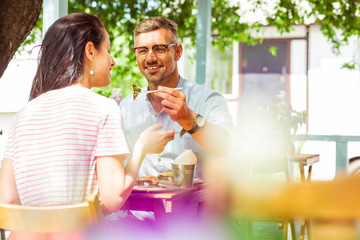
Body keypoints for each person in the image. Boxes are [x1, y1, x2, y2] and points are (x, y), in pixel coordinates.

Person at [0, 13, 174, 240]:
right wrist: (141, 148)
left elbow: (8, 200)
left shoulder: (22, 116)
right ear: (90, 51)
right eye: (108, 50)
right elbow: (113, 199)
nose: (112, 61)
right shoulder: (104, 108)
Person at [120, 16, 235, 178]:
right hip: (140, 203)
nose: (150, 58)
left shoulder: (207, 100)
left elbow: (227, 147)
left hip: (191, 203)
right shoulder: (126, 108)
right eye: (142, 50)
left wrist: (190, 119)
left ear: (178, 52)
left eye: (160, 48)